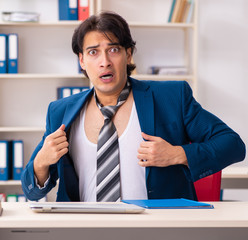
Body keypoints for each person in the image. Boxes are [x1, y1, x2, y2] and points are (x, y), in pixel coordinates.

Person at [21, 11, 246, 202]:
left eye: (113, 50)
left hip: (157, 229)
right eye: (93, 52)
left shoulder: (171, 97)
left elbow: (233, 145)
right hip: (86, 229)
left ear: (128, 54)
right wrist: (41, 162)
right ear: (82, 61)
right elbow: (30, 191)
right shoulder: (62, 112)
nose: (104, 61)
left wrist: (179, 154)